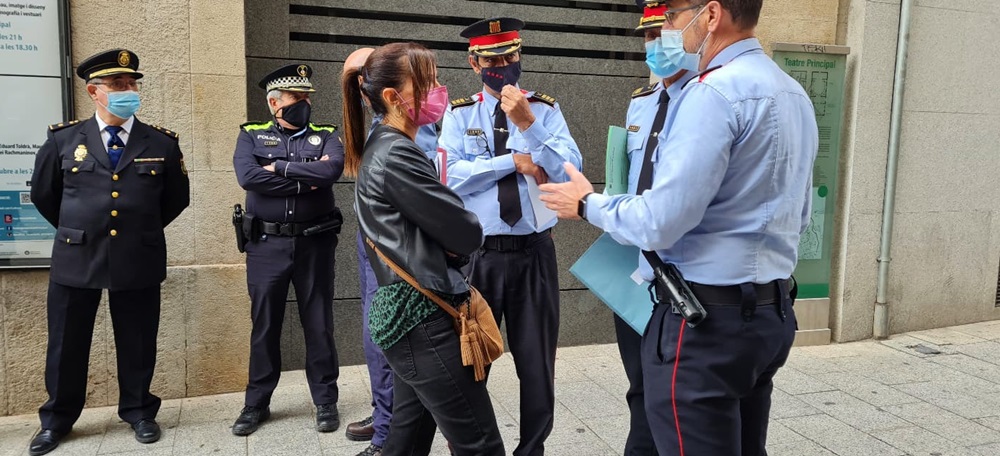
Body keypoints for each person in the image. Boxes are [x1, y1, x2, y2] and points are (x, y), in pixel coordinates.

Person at [539, 1, 818, 454]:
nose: (667, 30)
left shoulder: (711, 93)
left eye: (671, 17)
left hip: (705, 323)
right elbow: (800, 213)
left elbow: (660, 222)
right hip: (772, 313)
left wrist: (587, 203)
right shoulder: (791, 92)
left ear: (711, 15)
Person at [343, 42, 505, 456]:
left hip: (410, 318)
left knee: (408, 440)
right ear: (394, 98)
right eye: (427, 83)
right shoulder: (397, 154)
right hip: (425, 320)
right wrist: (456, 243)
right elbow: (467, 232)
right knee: (480, 443)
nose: (439, 90)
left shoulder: (385, 146)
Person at [27, 48, 191, 456]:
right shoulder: (64, 139)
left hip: (137, 253)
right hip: (77, 255)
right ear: (93, 91)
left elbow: (175, 199)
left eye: (132, 83)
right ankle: (57, 421)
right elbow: (44, 195)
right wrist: (78, 231)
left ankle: (139, 411)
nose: (128, 90)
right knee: (66, 342)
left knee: (137, 339)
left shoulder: (161, 141)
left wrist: (138, 230)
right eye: (118, 84)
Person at [438, 18, 582, 455]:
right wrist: (512, 163)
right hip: (478, 257)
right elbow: (449, 178)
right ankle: (479, 446)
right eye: (493, 60)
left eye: (510, 57)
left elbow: (567, 169)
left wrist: (529, 125)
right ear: (474, 63)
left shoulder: (545, 109)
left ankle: (531, 449)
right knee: (472, 357)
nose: (503, 66)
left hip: (534, 254)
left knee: (537, 364)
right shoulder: (460, 113)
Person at [231, 63, 345, 436]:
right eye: (298, 98)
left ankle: (326, 400)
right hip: (266, 245)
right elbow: (248, 177)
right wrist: (303, 181)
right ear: (274, 103)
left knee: (318, 323)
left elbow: (332, 173)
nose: (306, 102)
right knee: (265, 325)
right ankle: (256, 403)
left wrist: (277, 167)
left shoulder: (327, 136)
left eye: (307, 97)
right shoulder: (251, 135)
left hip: (315, 242)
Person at [342, 46, 441, 456]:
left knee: (389, 335)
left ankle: (390, 426)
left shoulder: (394, 127)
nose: (435, 90)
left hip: (390, 241)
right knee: (386, 336)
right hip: (392, 244)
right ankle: (387, 424)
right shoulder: (395, 129)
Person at [610, 3, 697, 454]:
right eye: (648, 35)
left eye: (665, 31)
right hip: (638, 269)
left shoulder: (706, 101)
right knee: (640, 389)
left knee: (676, 400)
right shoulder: (640, 101)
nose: (655, 44)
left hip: (685, 277)